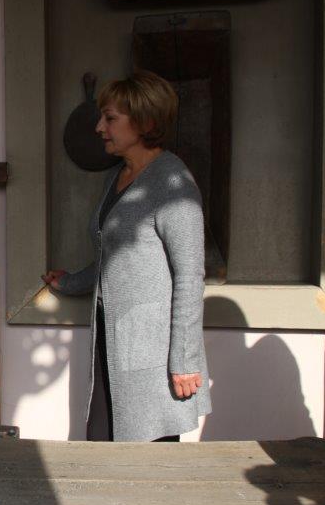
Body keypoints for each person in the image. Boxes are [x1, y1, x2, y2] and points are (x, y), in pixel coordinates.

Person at [43, 71, 211, 442]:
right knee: (104, 448)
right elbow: (113, 257)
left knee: (147, 461)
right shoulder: (118, 176)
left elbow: (189, 276)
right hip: (110, 342)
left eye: (110, 118)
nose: (99, 127)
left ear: (145, 122)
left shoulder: (173, 183)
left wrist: (184, 361)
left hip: (153, 354)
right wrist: (70, 282)